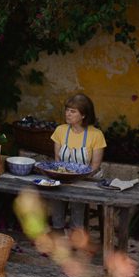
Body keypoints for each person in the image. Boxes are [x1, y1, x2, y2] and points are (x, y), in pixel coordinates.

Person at [49, 91, 106, 232]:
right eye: (67, 110)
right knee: (56, 196)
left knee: (77, 202)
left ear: (83, 115)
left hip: (85, 179)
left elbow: (95, 165)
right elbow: (57, 158)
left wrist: (78, 177)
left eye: (73, 111)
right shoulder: (60, 130)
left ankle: (76, 235)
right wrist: (62, 175)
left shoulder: (96, 135)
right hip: (62, 176)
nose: (68, 114)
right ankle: (57, 231)